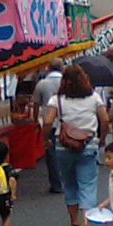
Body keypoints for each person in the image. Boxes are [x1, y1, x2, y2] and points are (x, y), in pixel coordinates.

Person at [43, 65, 110, 226]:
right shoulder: (94, 98)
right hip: (88, 145)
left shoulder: (56, 100)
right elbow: (105, 119)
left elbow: (48, 121)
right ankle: (86, 223)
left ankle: (74, 221)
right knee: (87, 184)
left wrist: (46, 139)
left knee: (70, 183)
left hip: (63, 146)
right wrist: (102, 138)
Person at [32, 58, 64, 193]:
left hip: (48, 121)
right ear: (62, 68)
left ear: (49, 68)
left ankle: (56, 184)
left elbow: (36, 104)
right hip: (66, 121)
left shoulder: (42, 84)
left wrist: (35, 120)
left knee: (51, 153)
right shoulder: (68, 81)